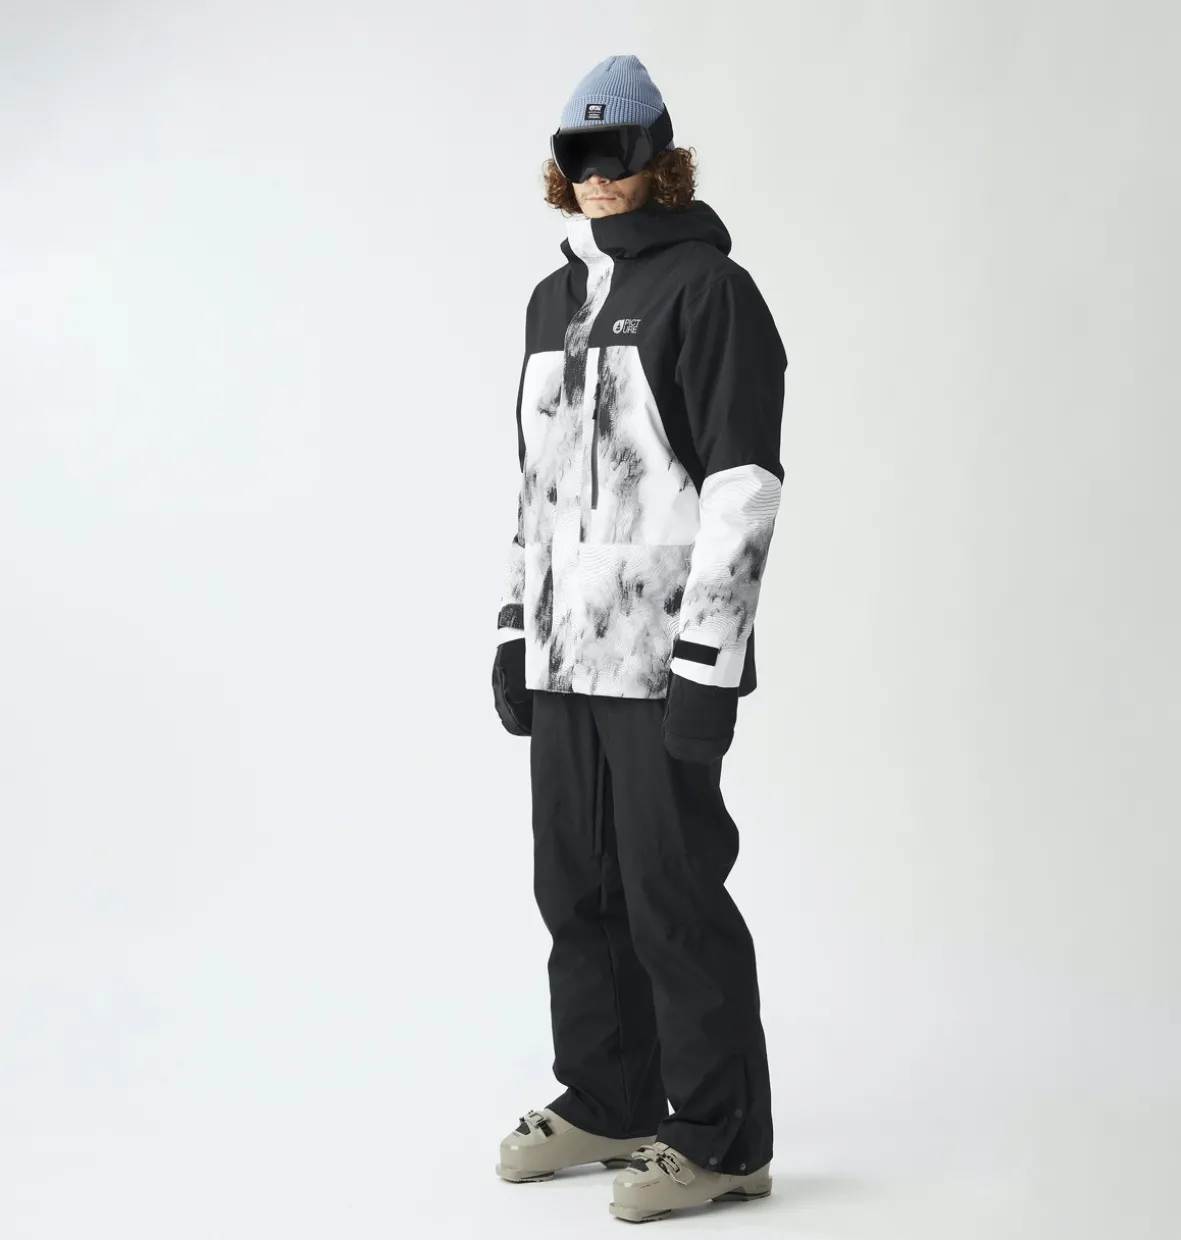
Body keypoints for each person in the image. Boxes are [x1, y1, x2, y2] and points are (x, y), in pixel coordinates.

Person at [490, 54, 787, 1225]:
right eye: (580, 152)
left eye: (620, 150)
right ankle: (612, 1096)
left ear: (660, 159)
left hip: (661, 660)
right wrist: (513, 624)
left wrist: (709, 662)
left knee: (672, 896)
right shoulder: (549, 303)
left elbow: (743, 490)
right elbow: (534, 484)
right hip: (566, 655)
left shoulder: (711, 293)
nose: (600, 172)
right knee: (573, 884)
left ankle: (721, 1138)